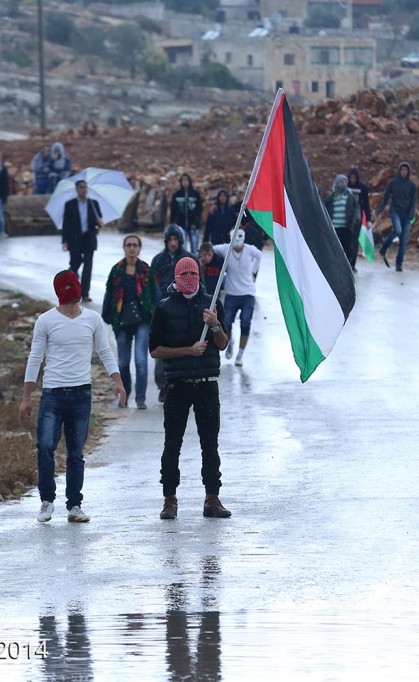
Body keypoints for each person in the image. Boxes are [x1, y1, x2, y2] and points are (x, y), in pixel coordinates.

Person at [20, 271, 126, 523]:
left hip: (81, 393)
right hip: (52, 394)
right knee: (45, 447)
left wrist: (118, 381)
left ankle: (74, 505)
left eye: (75, 285)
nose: (72, 291)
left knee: (76, 452)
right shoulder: (45, 320)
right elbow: (35, 358)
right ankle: (47, 501)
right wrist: (26, 397)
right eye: (67, 287)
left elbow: (105, 351)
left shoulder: (92, 319)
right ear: (59, 290)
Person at [148, 258, 231, 520]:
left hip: (206, 384)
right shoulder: (164, 307)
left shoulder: (212, 302)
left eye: (193, 273)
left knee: (210, 443)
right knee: (172, 443)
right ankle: (169, 499)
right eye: (184, 274)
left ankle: (212, 497)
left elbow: (223, 343)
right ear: (175, 277)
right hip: (178, 385)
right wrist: (187, 351)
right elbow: (155, 350)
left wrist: (215, 323)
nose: (189, 278)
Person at [102, 234, 154, 409]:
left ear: (139, 248)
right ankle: (125, 395)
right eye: (128, 245)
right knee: (123, 362)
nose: (131, 248)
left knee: (140, 360)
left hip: (142, 320)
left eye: (135, 245)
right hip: (122, 321)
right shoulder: (116, 270)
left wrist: (155, 313)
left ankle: (140, 398)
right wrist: (107, 313)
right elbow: (109, 292)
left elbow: (154, 294)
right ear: (124, 248)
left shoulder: (146, 269)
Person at [149, 224, 195, 403]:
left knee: (185, 350)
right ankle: (163, 386)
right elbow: (151, 285)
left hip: (185, 311)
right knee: (162, 352)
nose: (173, 243)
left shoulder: (189, 259)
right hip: (162, 311)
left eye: (176, 240)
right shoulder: (158, 260)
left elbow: (200, 283)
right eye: (170, 240)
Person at [212, 229, 261, 367]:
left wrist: (254, 271)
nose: (238, 240)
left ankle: (240, 354)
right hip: (231, 293)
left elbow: (259, 255)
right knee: (226, 323)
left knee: (245, 322)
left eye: (240, 236)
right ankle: (230, 342)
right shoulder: (226, 249)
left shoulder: (250, 250)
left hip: (248, 292)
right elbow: (212, 249)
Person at [61, 180, 103, 302]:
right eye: (81, 187)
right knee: (74, 264)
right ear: (76, 189)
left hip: (89, 238)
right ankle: (72, 290)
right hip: (74, 239)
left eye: (85, 187)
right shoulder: (70, 204)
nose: (83, 189)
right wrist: (65, 240)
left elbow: (99, 222)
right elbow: (66, 224)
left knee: (88, 266)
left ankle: (85, 293)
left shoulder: (93, 204)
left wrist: (100, 223)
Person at [376, 162, 418, 272]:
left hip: (407, 214)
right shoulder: (393, 183)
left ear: (408, 172)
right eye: (402, 170)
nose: (404, 172)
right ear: (399, 171)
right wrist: (379, 209)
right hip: (395, 211)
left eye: (406, 170)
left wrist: (412, 213)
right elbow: (386, 197)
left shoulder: (412, 185)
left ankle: (399, 263)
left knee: (403, 241)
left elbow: (414, 201)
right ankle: (384, 248)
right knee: (398, 230)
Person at [323, 174, 361, 272]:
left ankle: (347, 266)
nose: (342, 184)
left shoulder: (350, 196)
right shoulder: (331, 197)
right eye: (340, 182)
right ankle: (333, 266)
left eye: (344, 182)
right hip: (333, 227)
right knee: (334, 247)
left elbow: (356, 207)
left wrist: (356, 217)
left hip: (346, 227)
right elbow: (323, 207)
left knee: (347, 247)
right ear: (336, 183)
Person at [170, 173, 203, 254]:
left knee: (194, 249)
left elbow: (199, 209)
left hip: (194, 226)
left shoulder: (195, 194)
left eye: (186, 180)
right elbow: (173, 210)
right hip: (180, 225)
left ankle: (194, 264)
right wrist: (173, 224)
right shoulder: (177, 195)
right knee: (182, 249)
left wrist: (196, 222)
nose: (185, 182)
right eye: (183, 180)